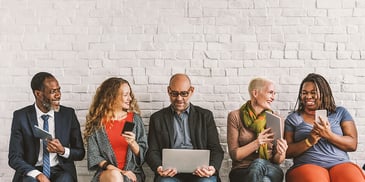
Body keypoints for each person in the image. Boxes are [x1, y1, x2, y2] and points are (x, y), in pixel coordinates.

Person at [284, 73, 365, 182]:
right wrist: (309, 141)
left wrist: (329, 135)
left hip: (340, 164)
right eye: (304, 93)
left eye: (313, 93)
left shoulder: (340, 113)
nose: (308, 97)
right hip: (308, 165)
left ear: (324, 94)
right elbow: (287, 152)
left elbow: (352, 144)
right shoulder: (293, 118)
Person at [8, 72, 85, 182]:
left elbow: (80, 153)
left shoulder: (68, 114)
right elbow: (14, 157)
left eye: (59, 90)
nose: (58, 95)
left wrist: (62, 150)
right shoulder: (21, 116)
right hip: (32, 170)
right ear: (38, 94)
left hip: (60, 170)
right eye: (53, 92)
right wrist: (37, 174)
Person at [146, 73, 224, 182]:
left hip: (200, 173)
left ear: (191, 91)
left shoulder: (205, 116)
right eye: (174, 93)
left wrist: (211, 168)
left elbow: (216, 149)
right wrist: (159, 168)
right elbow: (152, 151)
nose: (179, 98)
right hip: (170, 174)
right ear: (168, 91)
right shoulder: (157, 118)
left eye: (184, 93)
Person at [84, 77, 148, 182]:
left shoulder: (135, 119)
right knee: (115, 176)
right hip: (108, 174)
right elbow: (95, 157)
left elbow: (144, 155)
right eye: (125, 95)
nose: (130, 99)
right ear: (112, 97)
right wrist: (120, 172)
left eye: (130, 94)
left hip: (133, 173)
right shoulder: (97, 123)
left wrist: (133, 143)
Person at [227, 77, 288, 182]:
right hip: (242, 170)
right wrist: (257, 143)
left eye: (274, 93)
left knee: (259, 163)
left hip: (271, 168)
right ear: (255, 93)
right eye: (270, 92)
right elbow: (235, 155)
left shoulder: (276, 119)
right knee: (264, 180)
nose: (273, 97)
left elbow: (277, 160)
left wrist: (282, 152)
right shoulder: (235, 116)